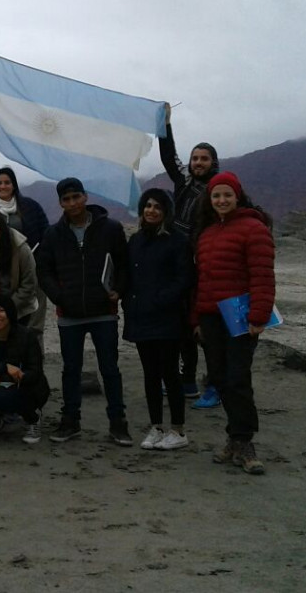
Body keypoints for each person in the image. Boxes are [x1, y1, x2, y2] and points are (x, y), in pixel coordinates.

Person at [35, 177, 133, 446]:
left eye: (76, 197)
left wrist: (119, 290)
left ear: (85, 197)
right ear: (60, 203)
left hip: (104, 311)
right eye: (66, 199)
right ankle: (70, 421)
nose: (72, 203)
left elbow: (124, 264)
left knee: (110, 369)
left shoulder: (110, 228)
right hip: (69, 315)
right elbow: (43, 269)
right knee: (70, 369)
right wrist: (58, 296)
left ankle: (118, 423)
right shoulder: (53, 234)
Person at [192, 172, 275, 475]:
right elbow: (202, 280)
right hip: (211, 317)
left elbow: (263, 275)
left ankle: (244, 441)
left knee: (238, 378)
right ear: (210, 200)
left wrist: (259, 316)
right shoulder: (207, 233)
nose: (222, 200)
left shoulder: (254, 228)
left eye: (227, 195)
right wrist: (196, 318)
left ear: (237, 196)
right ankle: (234, 437)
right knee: (220, 377)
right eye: (216, 196)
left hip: (240, 318)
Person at [159, 102, 221, 403]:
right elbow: (169, 157)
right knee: (182, 325)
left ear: (213, 162)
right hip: (177, 262)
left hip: (205, 266)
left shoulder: (219, 191)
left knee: (205, 327)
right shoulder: (183, 181)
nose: (198, 163)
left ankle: (214, 384)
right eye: (195, 158)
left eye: (204, 159)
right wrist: (165, 125)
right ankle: (186, 381)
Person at [123, 189, 191, 451]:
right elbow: (129, 275)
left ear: (166, 212)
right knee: (150, 374)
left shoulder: (177, 241)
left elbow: (184, 278)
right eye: (147, 206)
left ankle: (178, 429)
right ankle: (156, 426)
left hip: (167, 318)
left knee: (170, 373)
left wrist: (161, 300)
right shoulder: (136, 241)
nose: (151, 210)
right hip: (141, 317)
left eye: (157, 207)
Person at [0, 295, 50, 444]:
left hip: (26, 386)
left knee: (4, 396)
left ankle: (33, 419)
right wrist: (3, 367)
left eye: (1, 310)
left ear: (10, 312)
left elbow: (35, 372)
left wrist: (1, 378)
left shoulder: (27, 335)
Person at [0, 166, 50, 335]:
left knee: (33, 322)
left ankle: (34, 358)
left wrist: (38, 258)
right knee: (3, 319)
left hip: (32, 270)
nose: (3, 186)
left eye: (7, 182)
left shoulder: (31, 207)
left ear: (14, 185)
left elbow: (45, 233)